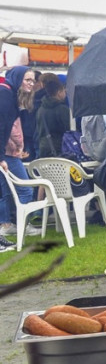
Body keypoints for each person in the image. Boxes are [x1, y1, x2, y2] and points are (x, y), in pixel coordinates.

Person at [1, 66, 41, 241]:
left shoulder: (9, 93)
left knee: (6, 191)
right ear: (18, 78)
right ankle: (22, 225)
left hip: (7, 152)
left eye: (33, 80)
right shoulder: (5, 94)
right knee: (24, 190)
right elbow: (2, 127)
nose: (31, 83)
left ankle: (8, 225)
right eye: (27, 79)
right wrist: (1, 156)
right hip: (7, 153)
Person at [34, 73, 69, 158]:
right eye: (64, 91)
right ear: (59, 92)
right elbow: (68, 130)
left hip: (43, 148)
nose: (66, 93)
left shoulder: (40, 109)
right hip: (60, 149)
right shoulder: (63, 109)